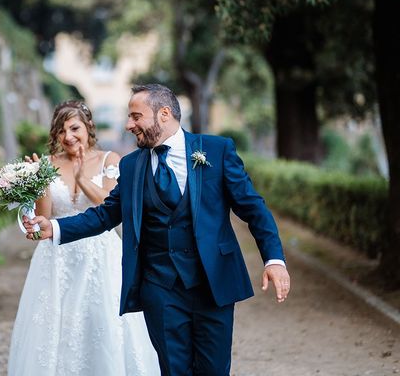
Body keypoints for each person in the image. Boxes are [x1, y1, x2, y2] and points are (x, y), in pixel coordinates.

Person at [24, 84, 291, 376]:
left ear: (163, 114)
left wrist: (274, 259)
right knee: (173, 370)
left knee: (214, 370)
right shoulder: (131, 166)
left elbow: (253, 208)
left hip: (213, 284)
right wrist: (55, 227)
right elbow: (105, 215)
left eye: (136, 116)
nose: (128, 125)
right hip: (160, 289)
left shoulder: (215, 150)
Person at [7, 100, 160, 376]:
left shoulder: (109, 160)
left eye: (74, 128)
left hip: (101, 255)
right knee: (55, 330)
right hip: (57, 257)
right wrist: (37, 186)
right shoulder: (47, 165)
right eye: (61, 131)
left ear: (88, 127)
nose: (68, 137)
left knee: (102, 323)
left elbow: (111, 206)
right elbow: (44, 221)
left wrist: (81, 178)